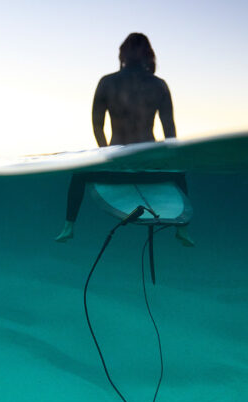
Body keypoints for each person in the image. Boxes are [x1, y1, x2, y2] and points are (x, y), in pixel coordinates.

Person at [55, 33, 193, 244]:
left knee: (79, 174)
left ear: (122, 54)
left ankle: (69, 226)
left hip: (117, 166)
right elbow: (170, 132)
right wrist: (169, 161)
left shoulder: (108, 82)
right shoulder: (159, 85)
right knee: (179, 174)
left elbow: (97, 125)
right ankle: (182, 229)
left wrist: (107, 155)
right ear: (149, 55)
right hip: (149, 165)